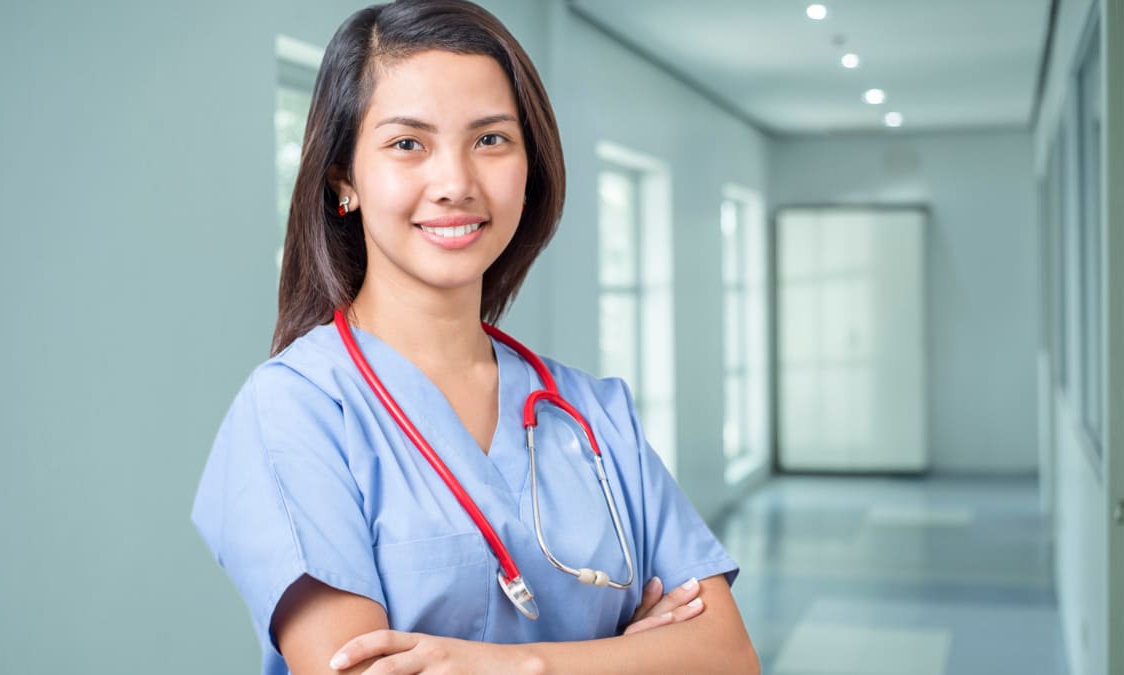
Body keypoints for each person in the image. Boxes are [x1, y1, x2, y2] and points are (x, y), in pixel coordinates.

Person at [191, 1, 759, 673]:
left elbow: (727, 654)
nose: (456, 183)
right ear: (345, 176)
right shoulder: (297, 409)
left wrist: (510, 666)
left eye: (491, 139)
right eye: (408, 144)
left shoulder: (594, 414)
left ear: (530, 164)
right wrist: (625, 657)